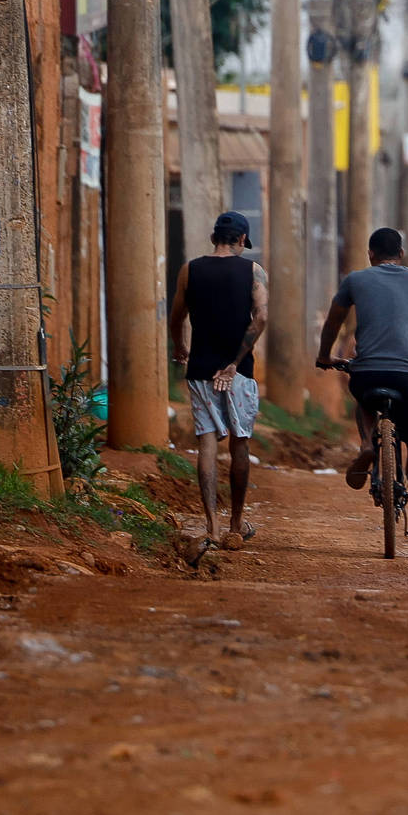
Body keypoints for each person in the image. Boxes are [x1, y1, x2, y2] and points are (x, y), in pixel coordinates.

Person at [314, 226, 408, 542]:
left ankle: (367, 443)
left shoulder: (355, 280)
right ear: (401, 254)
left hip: (369, 373)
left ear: (371, 255)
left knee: (363, 396)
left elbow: (333, 322)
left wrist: (325, 356)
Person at [167, 211, 268, 559]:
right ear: (241, 240)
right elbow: (262, 317)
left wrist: (180, 346)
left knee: (207, 443)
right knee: (240, 443)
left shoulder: (189, 270)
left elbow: (177, 315)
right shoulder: (252, 271)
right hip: (237, 372)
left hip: (200, 369)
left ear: (214, 238)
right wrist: (235, 363)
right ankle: (236, 527)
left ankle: (210, 526)